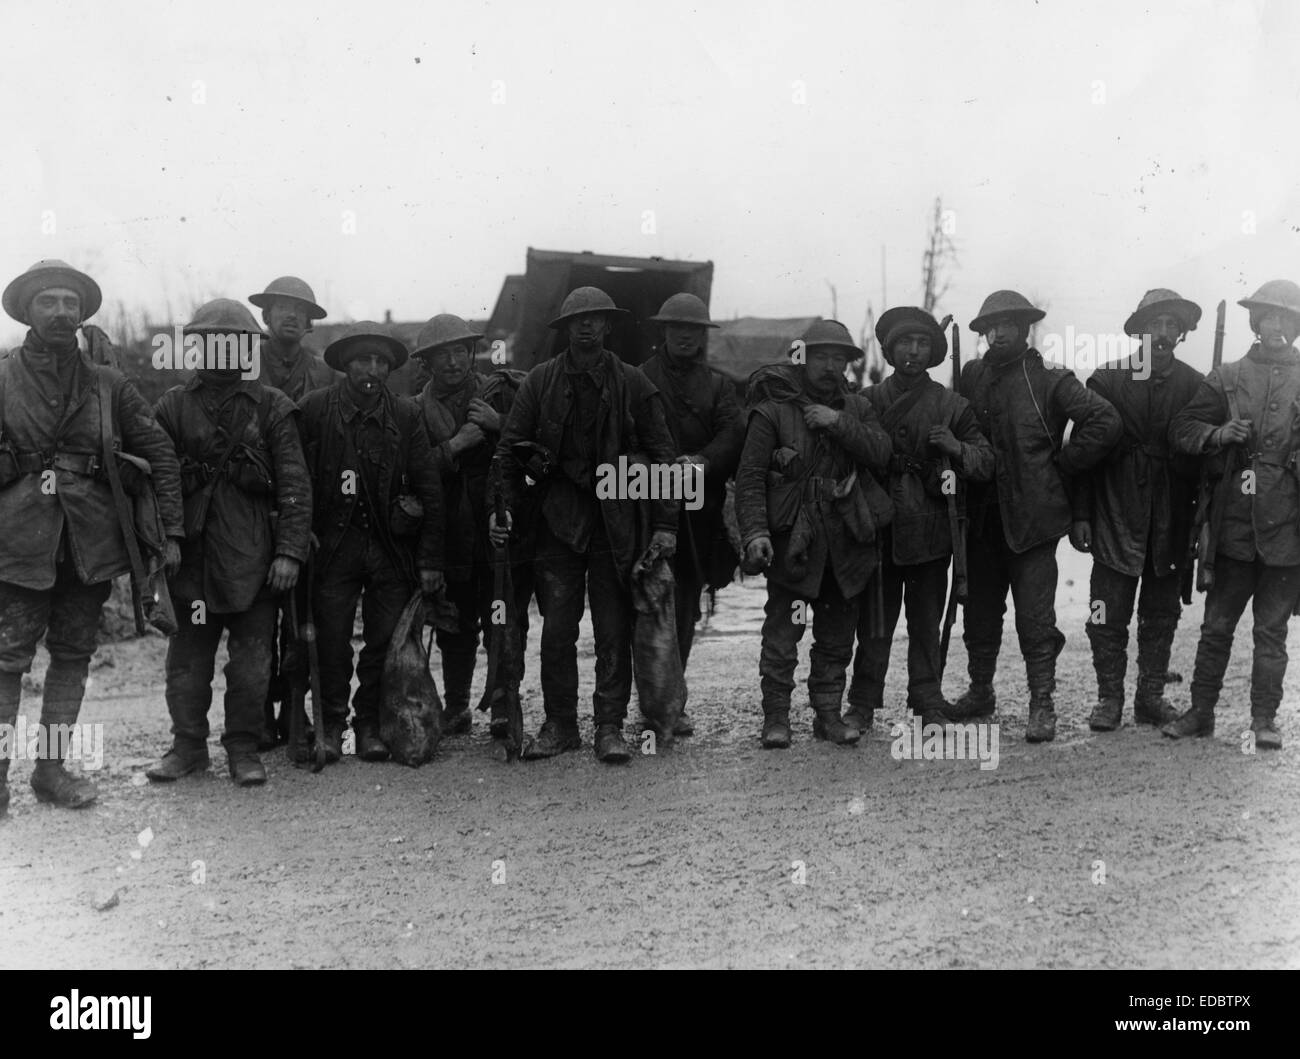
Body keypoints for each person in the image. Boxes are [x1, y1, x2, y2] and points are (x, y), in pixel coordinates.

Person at [0, 259, 182, 814]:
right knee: (6, 661)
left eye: (69, 304)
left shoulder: (107, 384)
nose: (60, 313)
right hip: (17, 545)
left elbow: (160, 453)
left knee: (73, 656)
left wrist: (170, 531)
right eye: (49, 302)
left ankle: (50, 773)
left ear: (82, 314)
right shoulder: (2, 376)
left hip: (89, 549)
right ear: (28, 310)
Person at [490, 286, 679, 764]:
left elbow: (664, 459)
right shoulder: (540, 382)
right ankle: (560, 725)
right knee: (556, 629)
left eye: (596, 319)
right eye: (579, 320)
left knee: (613, 629)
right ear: (566, 328)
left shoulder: (633, 382)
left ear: (608, 326)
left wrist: (664, 526)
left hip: (616, 527)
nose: (587, 326)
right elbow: (509, 451)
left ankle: (610, 727)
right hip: (557, 522)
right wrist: (504, 510)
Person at [146, 301, 312, 785]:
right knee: (189, 662)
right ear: (196, 345)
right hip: (192, 562)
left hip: (254, 561)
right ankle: (188, 747)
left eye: (234, 341)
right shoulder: (172, 406)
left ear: (246, 348)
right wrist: (168, 538)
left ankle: (243, 746)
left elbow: (296, 484)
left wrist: (288, 551)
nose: (222, 351)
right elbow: (158, 481)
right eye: (211, 340)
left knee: (252, 664)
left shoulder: (273, 406)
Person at [948, 290, 1121, 742]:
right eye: (991, 326)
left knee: (1035, 619)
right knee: (980, 613)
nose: (998, 333)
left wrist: (1062, 464)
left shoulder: (1049, 378)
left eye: (1008, 324)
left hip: (1034, 521)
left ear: (1026, 328)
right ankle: (981, 691)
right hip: (982, 520)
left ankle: (1042, 703)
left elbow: (1103, 422)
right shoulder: (971, 375)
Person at [735, 319, 892, 749]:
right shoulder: (772, 411)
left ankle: (827, 715)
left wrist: (837, 422)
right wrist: (754, 534)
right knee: (783, 634)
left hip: (846, 542)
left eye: (837, 358)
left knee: (837, 634)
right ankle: (777, 719)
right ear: (802, 357)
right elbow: (749, 478)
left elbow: (882, 453)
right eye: (819, 355)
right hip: (793, 545)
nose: (828, 365)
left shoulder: (857, 408)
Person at [297, 323, 444, 763]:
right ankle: (330, 726)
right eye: (363, 359)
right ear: (345, 364)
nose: (372, 369)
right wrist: (299, 533)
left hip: (389, 548)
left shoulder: (405, 415)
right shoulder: (315, 410)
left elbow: (429, 487)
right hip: (333, 547)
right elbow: (294, 478)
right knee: (331, 640)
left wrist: (430, 559)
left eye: (381, 361)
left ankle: (369, 727)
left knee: (384, 642)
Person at [1164, 279, 1300, 749]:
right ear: (1255, 322)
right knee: (1217, 627)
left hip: (1288, 529)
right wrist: (1219, 434)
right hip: (1232, 524)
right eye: (1268, 316)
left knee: (1272, 633)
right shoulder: (1226, 376)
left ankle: (1265, 720)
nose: (1276, 325)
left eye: (1286, 317)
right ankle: (1201, 713)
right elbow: (1182, 428)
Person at [849, 307, 994, 729]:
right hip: (878, 530)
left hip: (931, 529)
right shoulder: (867, 402)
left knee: (926, 621)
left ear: (933, 353)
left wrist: (955, 447)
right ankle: (861, 703)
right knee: (874, 622)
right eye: (904, 343)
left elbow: (986, 462)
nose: (913, 351)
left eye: (922, 344)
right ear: (889, 350)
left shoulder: (952, 406)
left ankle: (928, 699)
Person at [1071, 289, 1203, 731]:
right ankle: (1109, 697)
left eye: (1171, 326)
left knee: (1162, 611)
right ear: (1139, 331)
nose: (1162, 334)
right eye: (1154, 325)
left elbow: (1204, 461)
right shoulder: (1106, 381)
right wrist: (1082, 514)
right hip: (1115, 508)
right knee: (1104, 610)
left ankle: (1150, 696)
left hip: (1171, 515)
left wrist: (1201, 524)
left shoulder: (1196, 384)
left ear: (1181, 333)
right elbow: (1086, 456)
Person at [414, 313, 530, 738]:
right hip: (445, 532)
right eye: (441, 356)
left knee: (502, 615)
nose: (453, 362)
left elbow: (533, 452)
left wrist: (501, 427)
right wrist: (455, 446)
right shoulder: (415, 410)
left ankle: (502, 702)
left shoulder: (498, 396)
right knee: (454, 624)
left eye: (460, 352)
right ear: (426, 364)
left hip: (495, 527)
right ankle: (457, 704)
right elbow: (410, 471)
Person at [638, 293, 744, 734]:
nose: (686, 336)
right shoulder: (638, 379)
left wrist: (701, 460)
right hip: (644, 508)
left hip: (698, 515)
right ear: (663, 332)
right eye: (677, 328)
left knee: (683, 607)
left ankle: (671, 703)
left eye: (694, 330)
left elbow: (733, 434)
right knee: (643, 606)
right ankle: (646, 704)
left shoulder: (719, 386)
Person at [248, 275, 338, 750]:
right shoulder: (241, 366)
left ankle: (296, 708)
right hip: (249, 506)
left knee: (304, 615)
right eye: (281, 307)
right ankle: (257, 709)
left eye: (300, 310)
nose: (290, 316)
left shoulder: (325, 375)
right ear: (265, 316)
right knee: (255, 615)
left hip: (308, 506)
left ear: (309, 323)